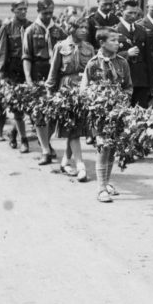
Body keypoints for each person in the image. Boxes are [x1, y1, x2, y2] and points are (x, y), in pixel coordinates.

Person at [82, 28, 132, 202]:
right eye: (113, 40)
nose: (118, 44)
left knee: (111, 148)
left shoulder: (122, 63)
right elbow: (86, 88)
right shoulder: (93, 64)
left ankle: (107, 181)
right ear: (102, 43)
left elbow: (128, 86)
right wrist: (97, 101)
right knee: (103, 146)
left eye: (118, 41)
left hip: (117, 112)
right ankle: (101, 188)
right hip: (100, 114)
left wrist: (122, 99)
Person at [47, 17, 95, 181]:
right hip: (67, 91)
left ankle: (65, 161)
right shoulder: (61, 47)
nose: (85, 30)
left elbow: (93, 71)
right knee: (72, 128)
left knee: (76, 128)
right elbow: (53, 72)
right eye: (81, 27)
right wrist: (50, 93)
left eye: (86, 27)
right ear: (72, 28)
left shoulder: (89, 47)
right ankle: (81, 165)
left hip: (84, 90)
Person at [23, 0, 67, 164]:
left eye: (51, 12)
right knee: (41, 114)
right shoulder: (30, 30)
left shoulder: (59, 31)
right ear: (38, 11)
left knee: (55, 115)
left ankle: (45, 142)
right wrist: (28, 79)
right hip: (38, 74)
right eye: (45, 13)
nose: (48, 16)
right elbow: (26, 57)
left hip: (56, 75)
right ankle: (45, 150)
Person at [0, 0, 31, 152]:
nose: (23, 12)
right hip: (13, 72)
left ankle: (13, 132)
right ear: (13, 10)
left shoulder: (31, 26)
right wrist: (0, 72)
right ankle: (24, 140)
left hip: (29, 72)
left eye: (25, 9)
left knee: (27, 108)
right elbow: (2, 51)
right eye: (20, 9)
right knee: (17, 108)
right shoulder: (7, 28)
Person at [114, 0, 151, 108]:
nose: (133, 16)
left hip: (141, 81)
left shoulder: (141, 30)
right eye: (130, 13)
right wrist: (126, 54)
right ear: (121, 12)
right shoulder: (115, 31)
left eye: (136, 13)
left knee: (141, 115)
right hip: (123, 80)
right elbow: (109, 56)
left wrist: (150, 83)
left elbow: (148, 57)